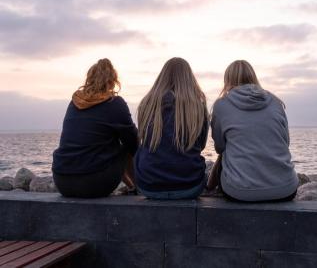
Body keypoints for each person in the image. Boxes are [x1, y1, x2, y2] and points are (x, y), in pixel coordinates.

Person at [207, 60, 298, 202]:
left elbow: (220, 147)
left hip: (240, 192)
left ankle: (208, 188)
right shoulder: (275, 102)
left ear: (227, 80)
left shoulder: (221, 105)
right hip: (285, 189)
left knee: (226, 153)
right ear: (253, 77)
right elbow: (285, 142)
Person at [52, 58, 138, 198]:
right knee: (126, 144)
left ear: (89, 79)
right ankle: (136, 187)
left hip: (61, 181)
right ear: (112, 80)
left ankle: (133, 187)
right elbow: (133, 142)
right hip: (94, 183)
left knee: (112, 145)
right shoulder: (114, 103)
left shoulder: (74, 102)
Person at [135, 57, 209, 199]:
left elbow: (144, 139)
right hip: (190, 186)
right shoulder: (198, 106)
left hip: (149, 186)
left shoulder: (147, 104)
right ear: (189, 78)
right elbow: (201, 145)